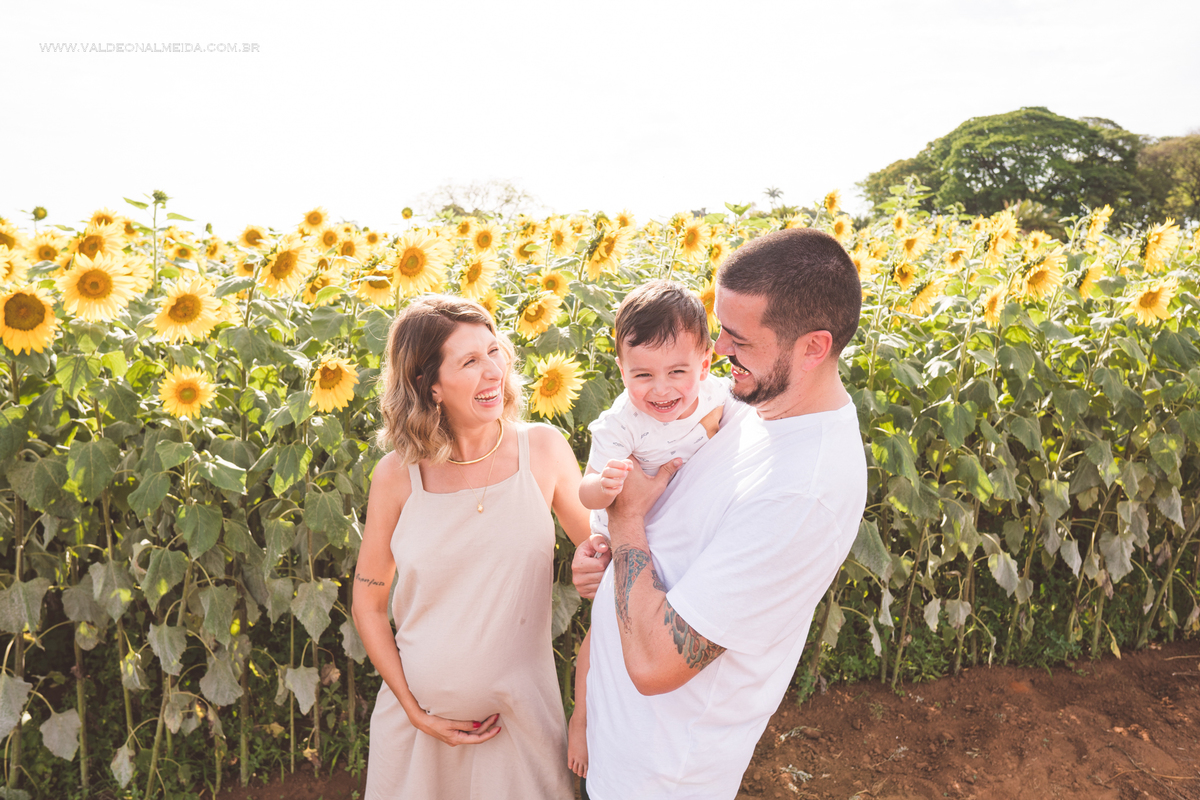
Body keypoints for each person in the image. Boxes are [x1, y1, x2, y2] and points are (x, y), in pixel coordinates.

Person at [572, 228, 868, 799]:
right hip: (617, 745)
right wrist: (604, 559)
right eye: (719, 331)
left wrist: (628, 521)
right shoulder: (746, 402)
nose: (719, 353)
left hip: (663, 776)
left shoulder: (804, 493)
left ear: (812, 347)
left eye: (739, 339)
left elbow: (659, 665)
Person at [352, 295, 590, 800]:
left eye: (494, 351)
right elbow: (369, 604)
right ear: (429, 384)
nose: (494, 372)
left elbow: (609, 564)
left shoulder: (542, 450)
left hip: (521, 722)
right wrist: (415, 711)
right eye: (469, 361)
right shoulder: (396, 476)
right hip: (416, 733)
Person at [568, 280, 729, 780]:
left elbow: (722, 419)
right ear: (620, 369)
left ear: (705, 362)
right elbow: (585, 492)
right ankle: (580, 716)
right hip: (620, 536)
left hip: (667, 540)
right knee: (599, 639)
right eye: (642, 375)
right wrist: (607, 485)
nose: (660, 390)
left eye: (677, 372)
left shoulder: (717, 396)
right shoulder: (619, 424)